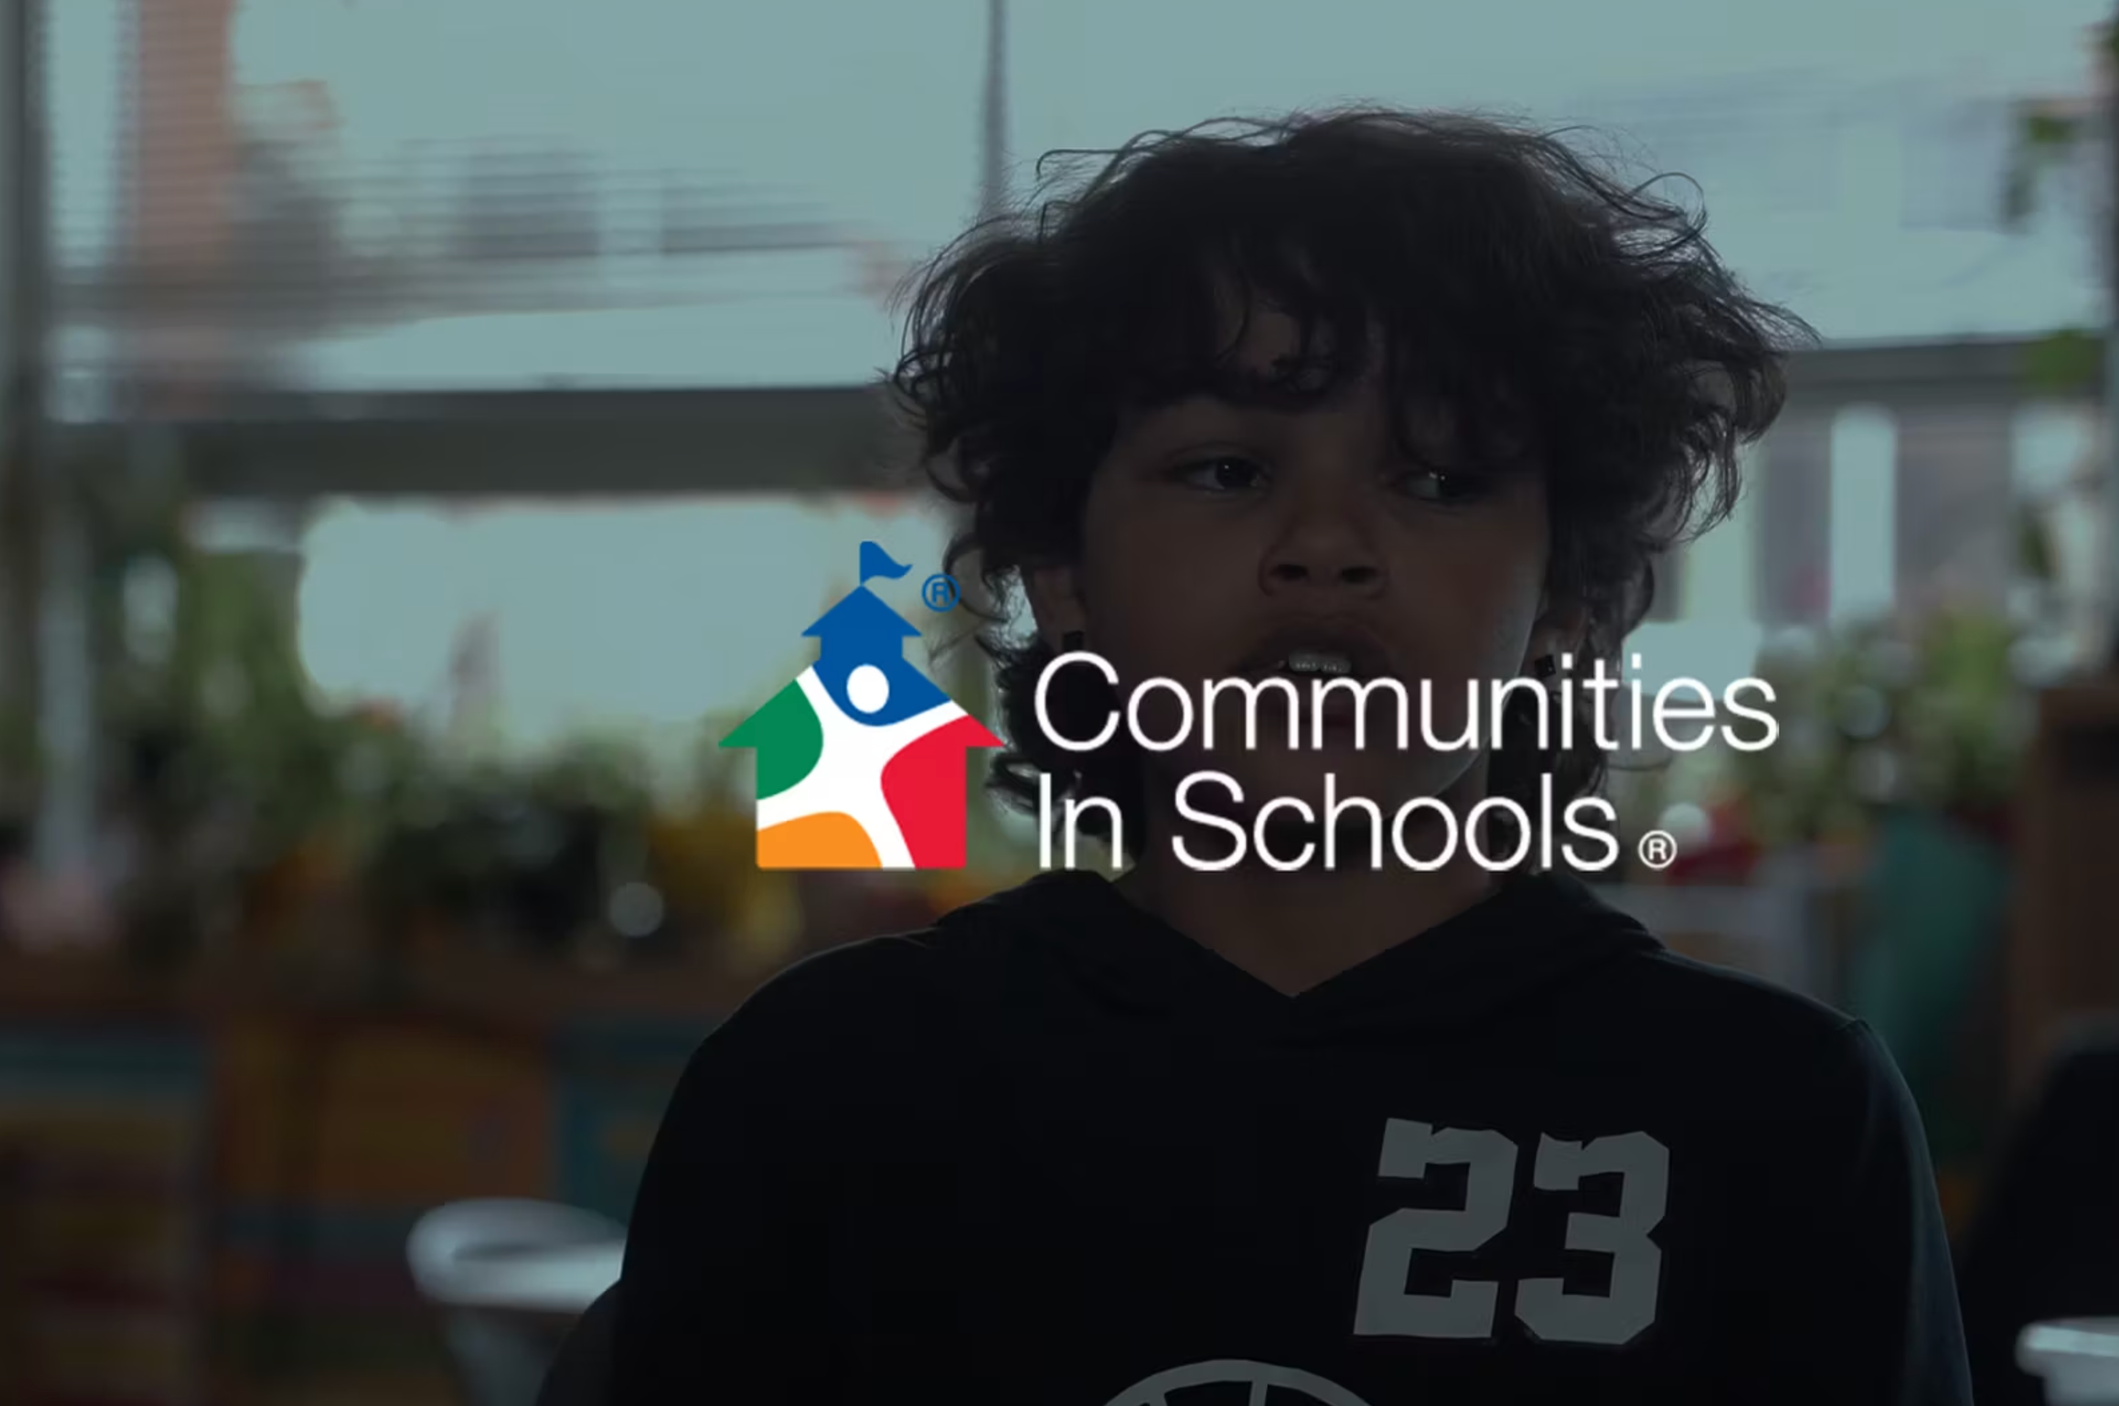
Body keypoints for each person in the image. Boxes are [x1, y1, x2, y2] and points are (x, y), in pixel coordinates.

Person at [611, 108, 1972, 1405]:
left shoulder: (1774, 1116)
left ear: (1567, 593)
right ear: (1064, 569)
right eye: (1227, 471)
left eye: (1437, 477)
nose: (1326, 545)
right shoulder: (838, 1086)